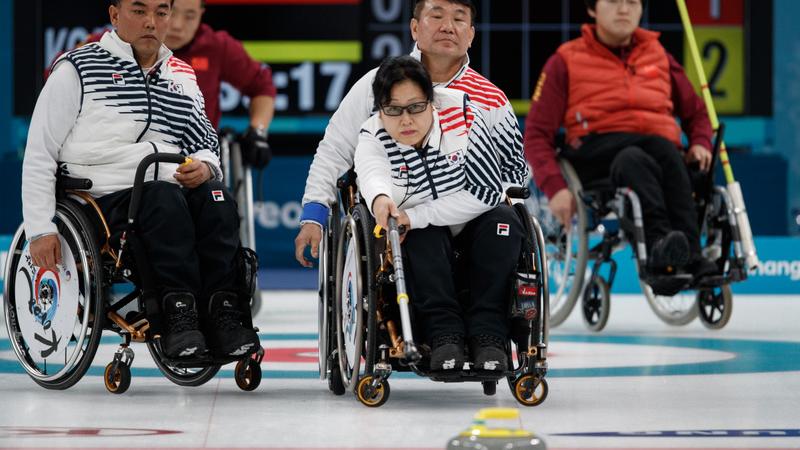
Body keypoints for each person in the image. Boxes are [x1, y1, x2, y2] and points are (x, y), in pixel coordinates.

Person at [22, 0, 260, 359]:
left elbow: (206, 143)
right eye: (139, 11)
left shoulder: (182, 74)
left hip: (167, 190)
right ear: (114, 14)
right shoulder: (78, 69)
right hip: (101, 198)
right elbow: (40, 152)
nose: (152, 22)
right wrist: (40, 229)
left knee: (218, 199)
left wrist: (207, 166)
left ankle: (224, 312)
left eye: (161, 12)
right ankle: (178, 315)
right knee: (163, 200)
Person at [295, 0, 527, 267]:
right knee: (422, 234)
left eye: (459, 19)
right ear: (415, 28)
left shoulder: (491, 100)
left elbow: (512, 172)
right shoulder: (376, 85)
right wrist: (314, 214)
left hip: (473, 220)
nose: (448, 27)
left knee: (504, 223)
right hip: (400, 221)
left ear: (471, 34)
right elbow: (334, 150)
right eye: (436, 16)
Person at [524, 0, 717, 277]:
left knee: (640, 159)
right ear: (592, 9)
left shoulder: (659, 55)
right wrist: (555, 187)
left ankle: (678, 252)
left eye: (632, 2)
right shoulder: (565, 60)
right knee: (656, 150)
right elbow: (536, 134)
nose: (624, 9)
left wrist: (700, 142)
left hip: (656, 160)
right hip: (594, 156)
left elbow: (697, 113)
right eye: (613, 1)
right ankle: (674, 254)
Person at [355, 56, 521, 373]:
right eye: (393, 109)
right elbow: (371, 172)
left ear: (433, 102)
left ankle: (489, 336)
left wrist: (417, 215)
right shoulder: (372, 134)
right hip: (422, 234)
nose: (406, 120)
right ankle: (445, 334)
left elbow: (486, 191)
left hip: (476, 219)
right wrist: (380, 199)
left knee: (505, 221)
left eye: (416, 107)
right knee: (415, 233)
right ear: (380, 110)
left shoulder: (465, 116)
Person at [47, 0, 276, 166]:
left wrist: (258, 131)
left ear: (201, 13)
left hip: (193, 159)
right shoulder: (110, 43)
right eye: (171, 12)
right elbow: (57, 78)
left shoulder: (218, 47)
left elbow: (262, 86)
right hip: (117, 159)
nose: (177, 25)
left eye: (189, 16)